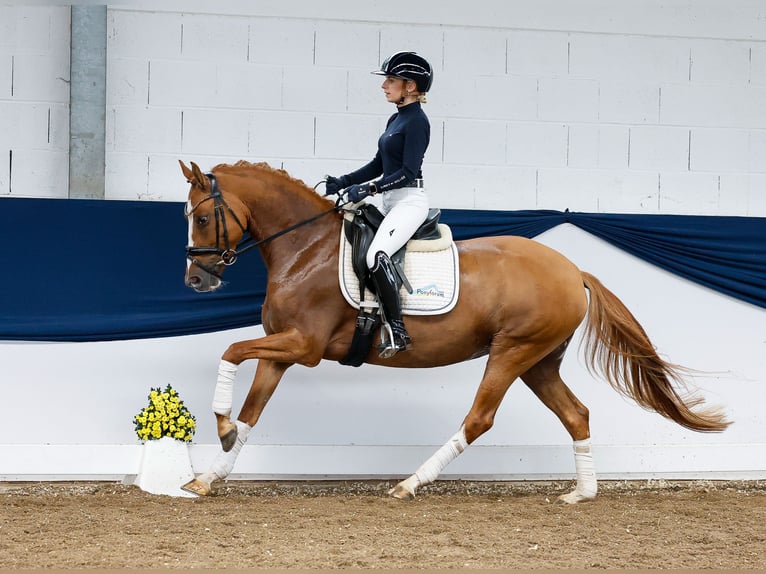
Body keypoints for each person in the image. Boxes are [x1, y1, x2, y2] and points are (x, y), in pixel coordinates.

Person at [326, 51, 433, 357]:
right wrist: (344, 181)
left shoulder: (417, 122)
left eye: (391, 80)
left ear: (410, 86)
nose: (384, 86)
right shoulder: (396, 118)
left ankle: (398, 331)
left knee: (377, 254)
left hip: (409, 202)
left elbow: (406, 172)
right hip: (389, 200)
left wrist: (369, 188)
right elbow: (378, 164)